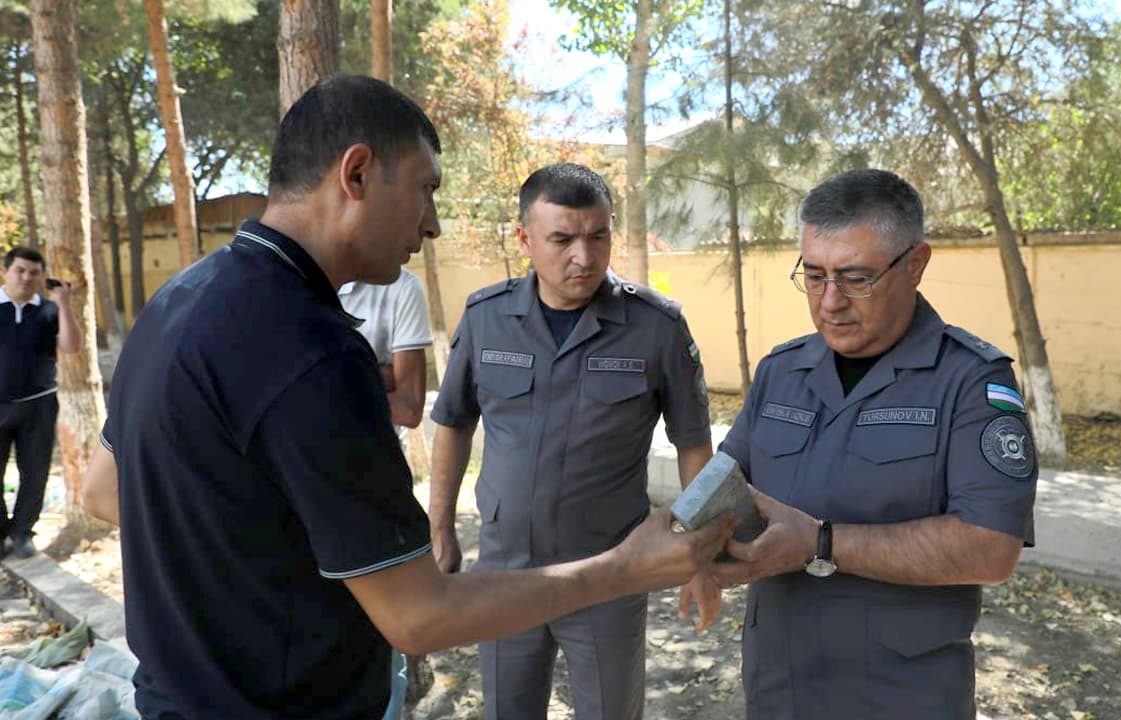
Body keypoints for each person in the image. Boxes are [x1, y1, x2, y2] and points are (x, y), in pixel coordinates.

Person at [80, 75, 732, 720]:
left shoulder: (179, 299)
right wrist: (623, 568)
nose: (434, 224)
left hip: (176, 696)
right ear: (356, 175)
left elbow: (104, 490)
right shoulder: (314, 352)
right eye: (425, 190)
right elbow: (417, 617)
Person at [710, 169, 1038, 719]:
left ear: (915, 264)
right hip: (778, 685)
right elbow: (727, 484)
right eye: (813, 276)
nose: (829, 302)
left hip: (899, 695)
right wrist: (697, 543)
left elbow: (991, 546)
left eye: (855, 278)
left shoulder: (972, 381)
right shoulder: (781, 371)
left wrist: (821, 544)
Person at [428, 162, 720, 720]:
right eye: (562, 239)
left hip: (609, 574)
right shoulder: (486, 319)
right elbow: (453, 421)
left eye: (598, 236)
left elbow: (694, 447)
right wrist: (441, 525)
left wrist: (702, 555)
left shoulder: (656, 327)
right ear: (525, 239)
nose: (583, 257)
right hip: (505, 575)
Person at [0, 246, 83, 558]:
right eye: (20, 270)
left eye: (34, 272)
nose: (26, 277)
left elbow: (72, 347)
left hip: (39, 404)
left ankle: (22, 532)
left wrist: (64, 305)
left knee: (35, 471)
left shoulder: (49, 311)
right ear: (5, 271)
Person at [338, 267, 432, 438]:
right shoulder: (288, 282)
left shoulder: (402, 287)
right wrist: (379, 376)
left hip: (372, 455)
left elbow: (408, 410)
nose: (417, 243)